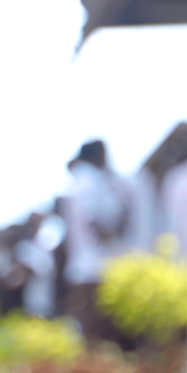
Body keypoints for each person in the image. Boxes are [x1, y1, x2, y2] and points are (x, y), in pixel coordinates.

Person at [61, 140, 138, 343]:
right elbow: (93, 219)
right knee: (99, 334)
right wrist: (112, 236)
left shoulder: (83, 180)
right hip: (95, 268)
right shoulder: (89, 180)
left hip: (88, 266)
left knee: (94, 334)